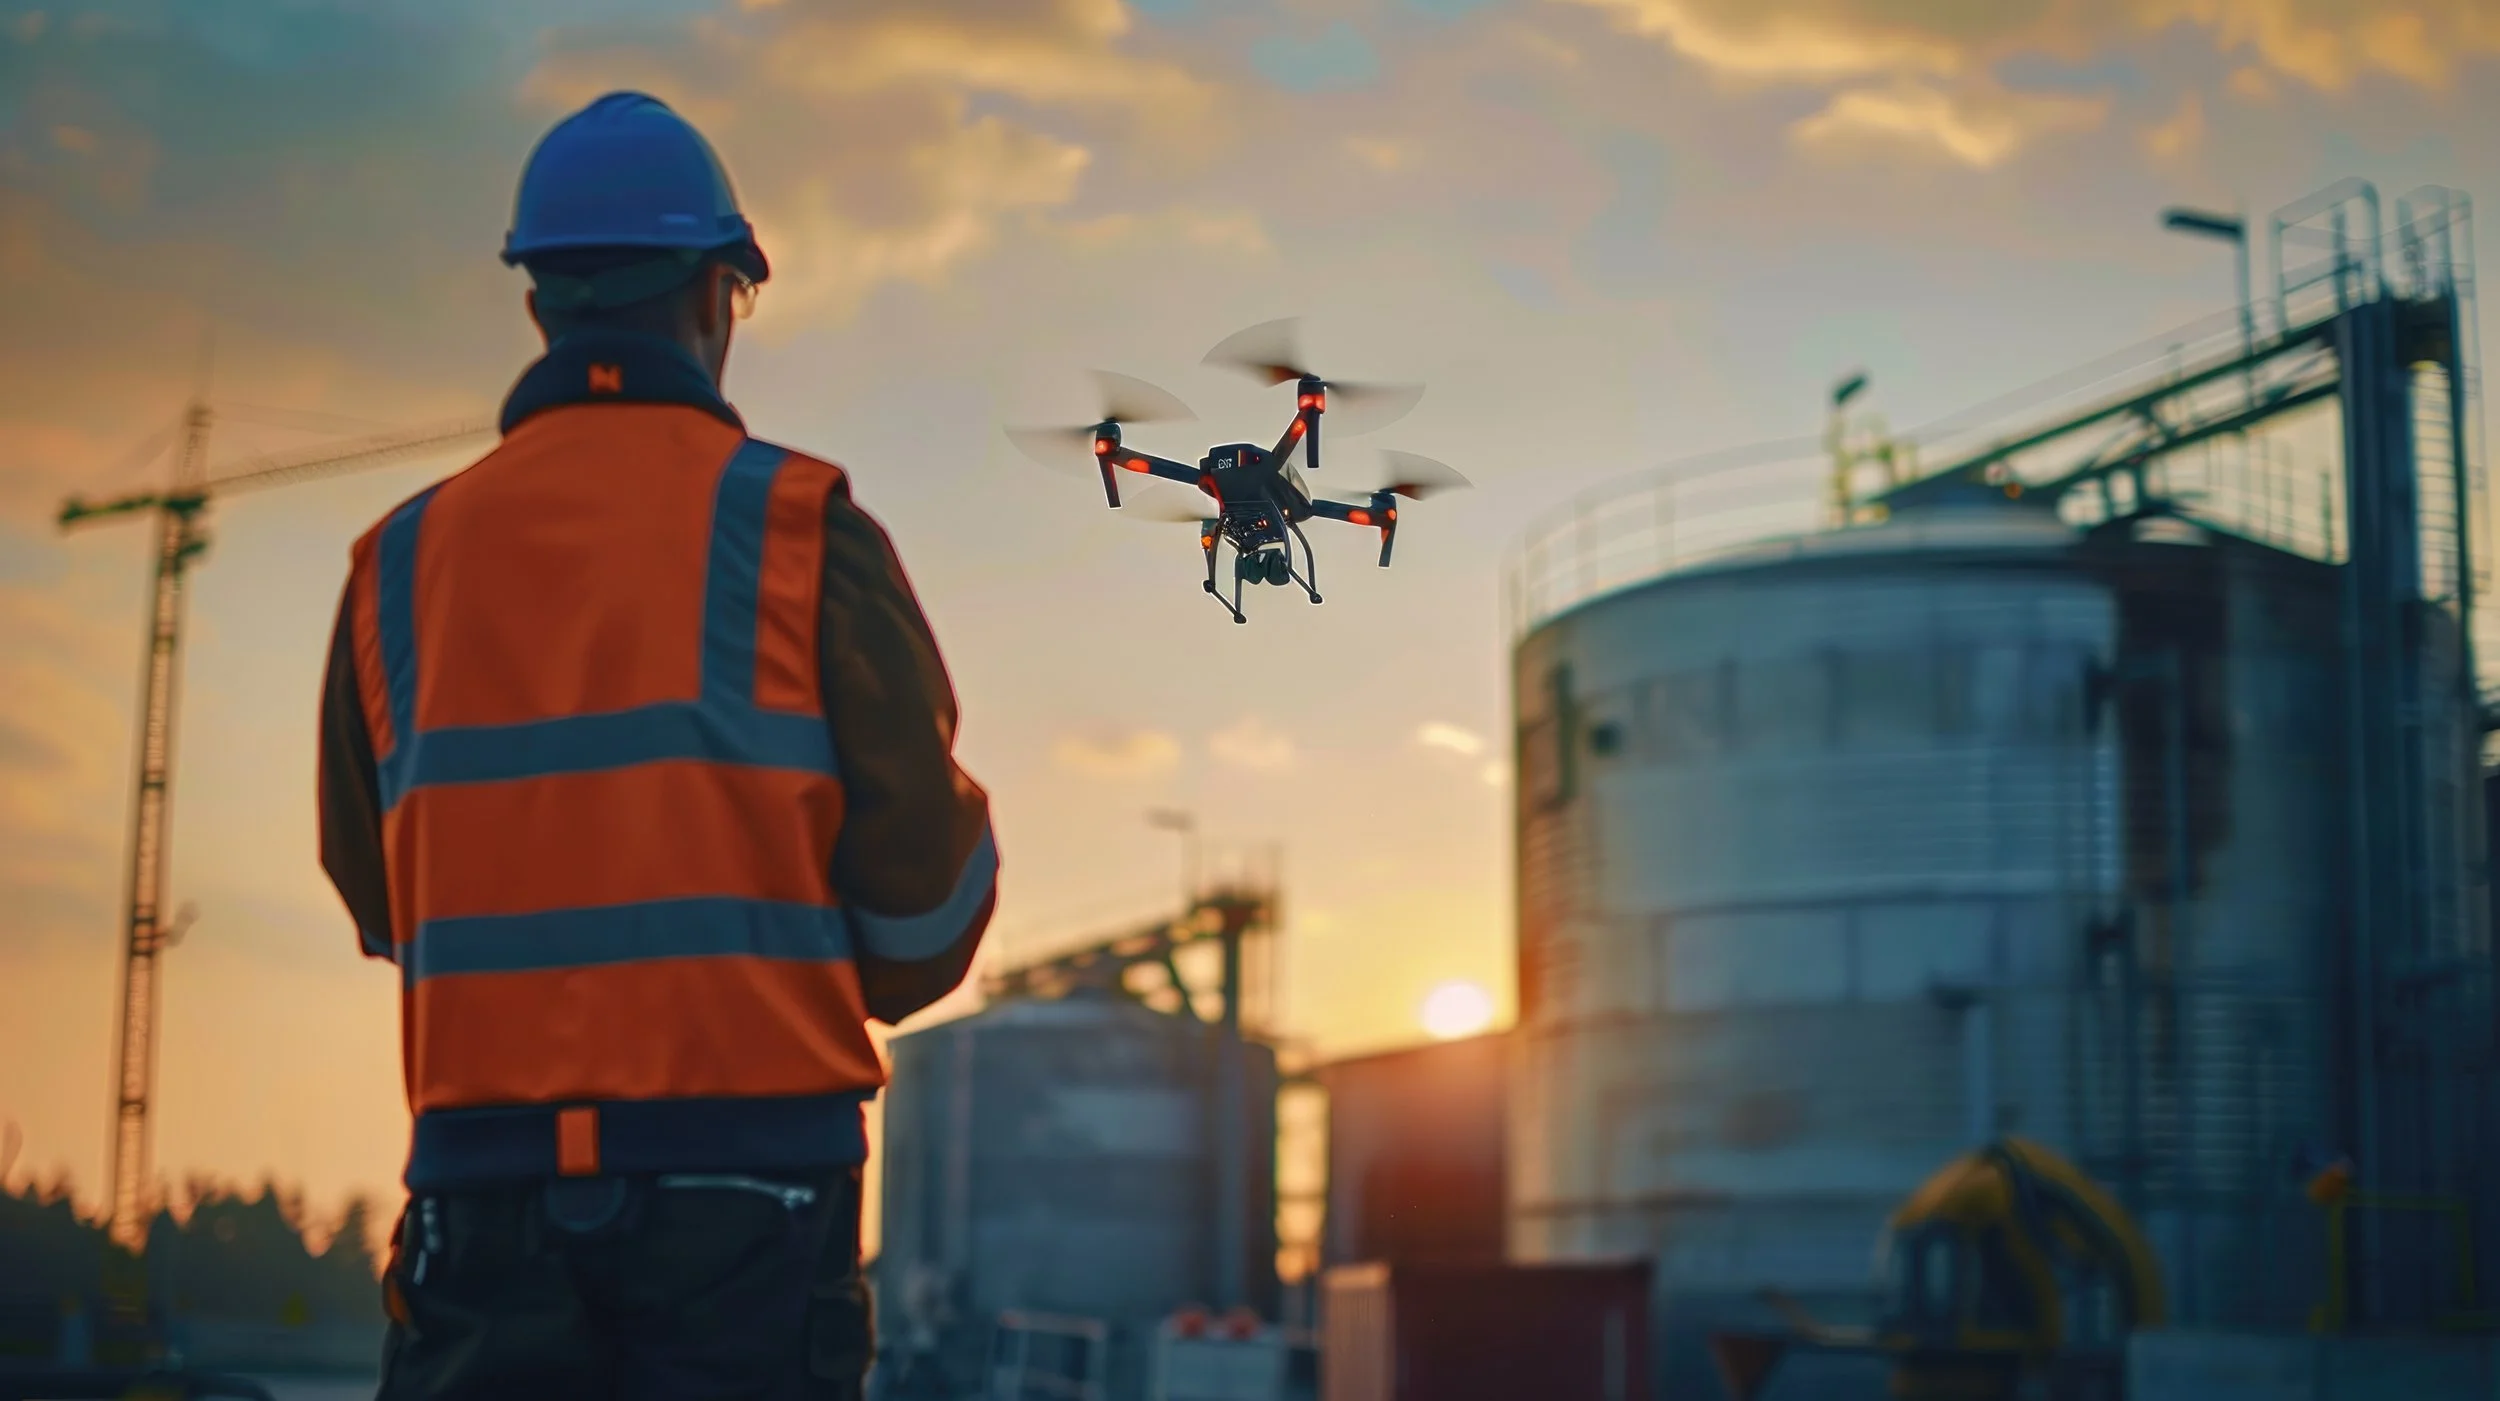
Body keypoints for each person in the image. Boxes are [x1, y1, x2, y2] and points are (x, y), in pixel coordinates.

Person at [316, 91, 998, 1401]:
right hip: (749, 1210)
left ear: (537, 306)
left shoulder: (396, 567)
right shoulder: (800, 530)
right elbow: (922, 926)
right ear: (719, 293)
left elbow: (383, 901)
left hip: (481, 1197)